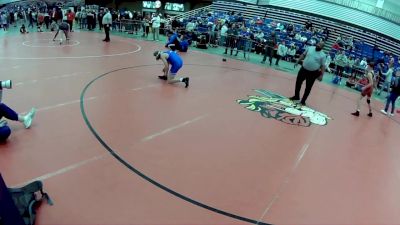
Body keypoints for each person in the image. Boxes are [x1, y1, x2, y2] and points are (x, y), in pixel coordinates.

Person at [289, 41, 326, 106]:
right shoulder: (310, 48)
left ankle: (303, 101)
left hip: (313, 73)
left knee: (308, 87)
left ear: (322, 47)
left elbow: (323, 66)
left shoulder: (323, 55)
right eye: (318, 44)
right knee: (298, 82)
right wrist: (298, 61)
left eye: (320, 45)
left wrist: (321, 75)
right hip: (303, 69)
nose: (318, 45)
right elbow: (303, 55)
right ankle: (296, 96)